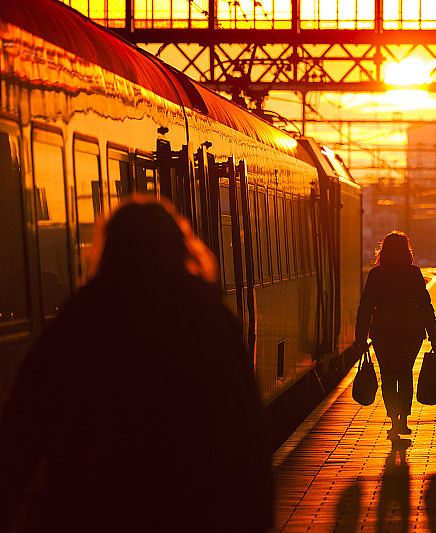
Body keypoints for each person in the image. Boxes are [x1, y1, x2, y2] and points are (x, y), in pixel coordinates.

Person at [0, 198, 272, 533]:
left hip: (95, 508)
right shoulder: (209, 318)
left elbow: (25, 420)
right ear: (179, 248)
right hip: (191, 508)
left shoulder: (82, 317)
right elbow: (246, 426)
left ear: (109, 249)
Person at [355, 231, 436, 436]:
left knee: (387, 376)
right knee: (405, 374)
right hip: (410, 331)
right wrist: (434, 335)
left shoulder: (376, 274)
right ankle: (402, 418)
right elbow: (425, 306)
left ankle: (394, 418)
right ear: (406, 251)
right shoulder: (413, 273)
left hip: (383, 331)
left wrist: (360, 336)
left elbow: (366, 306)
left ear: (383, 252)